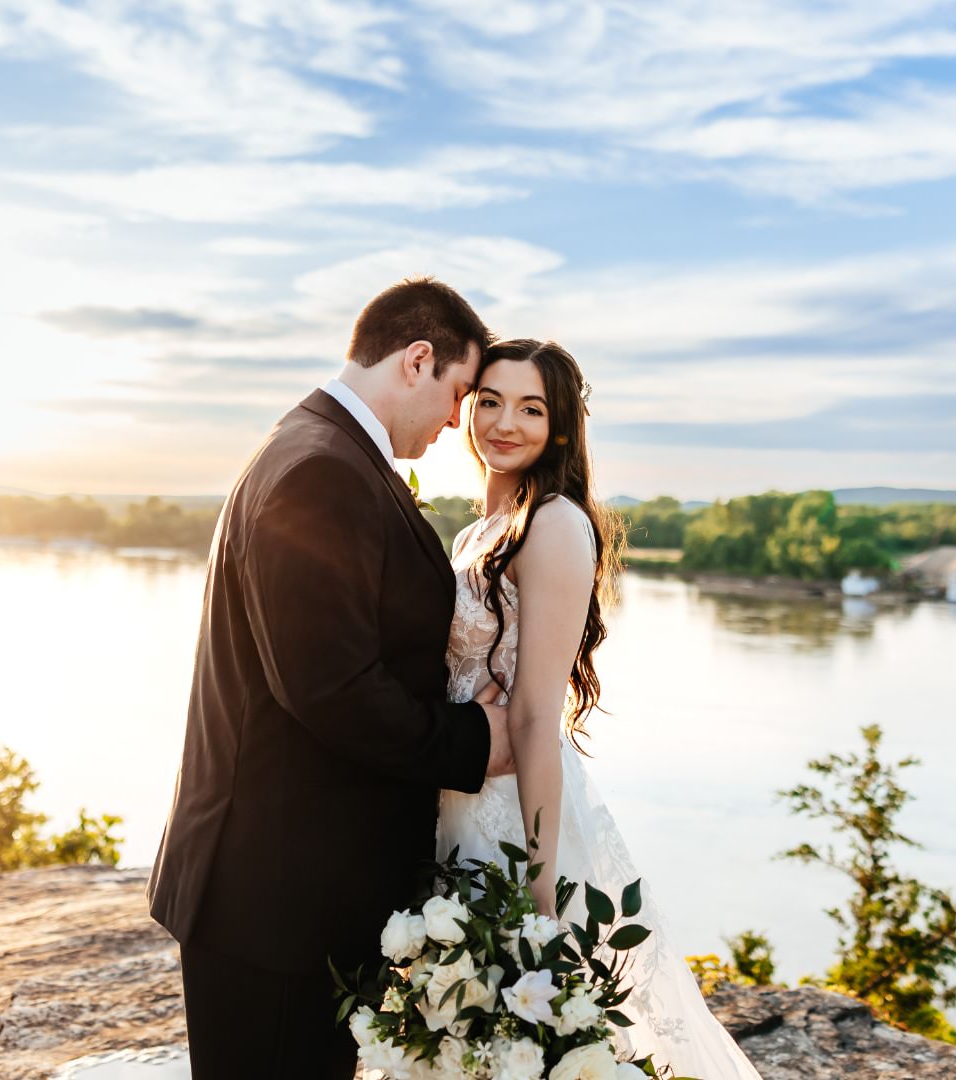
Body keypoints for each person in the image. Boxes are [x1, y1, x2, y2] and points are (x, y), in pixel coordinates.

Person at [147, 277, 516, 1079]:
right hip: (277, 906)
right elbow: (331, 689)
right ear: (417, 361)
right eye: (458, 394)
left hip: (291, 896)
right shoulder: (321, 471)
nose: (459, 422)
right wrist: (471, 742)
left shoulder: (320, 449)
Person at [438, 338, 763, 1079]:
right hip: (456, 796)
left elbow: (533, 717)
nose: (503, 423)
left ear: (560, 427)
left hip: (519, 811)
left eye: (530, 408)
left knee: (543, 1031)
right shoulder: (473, 533)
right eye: (489, 400)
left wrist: (541, 886)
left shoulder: (554, 525)